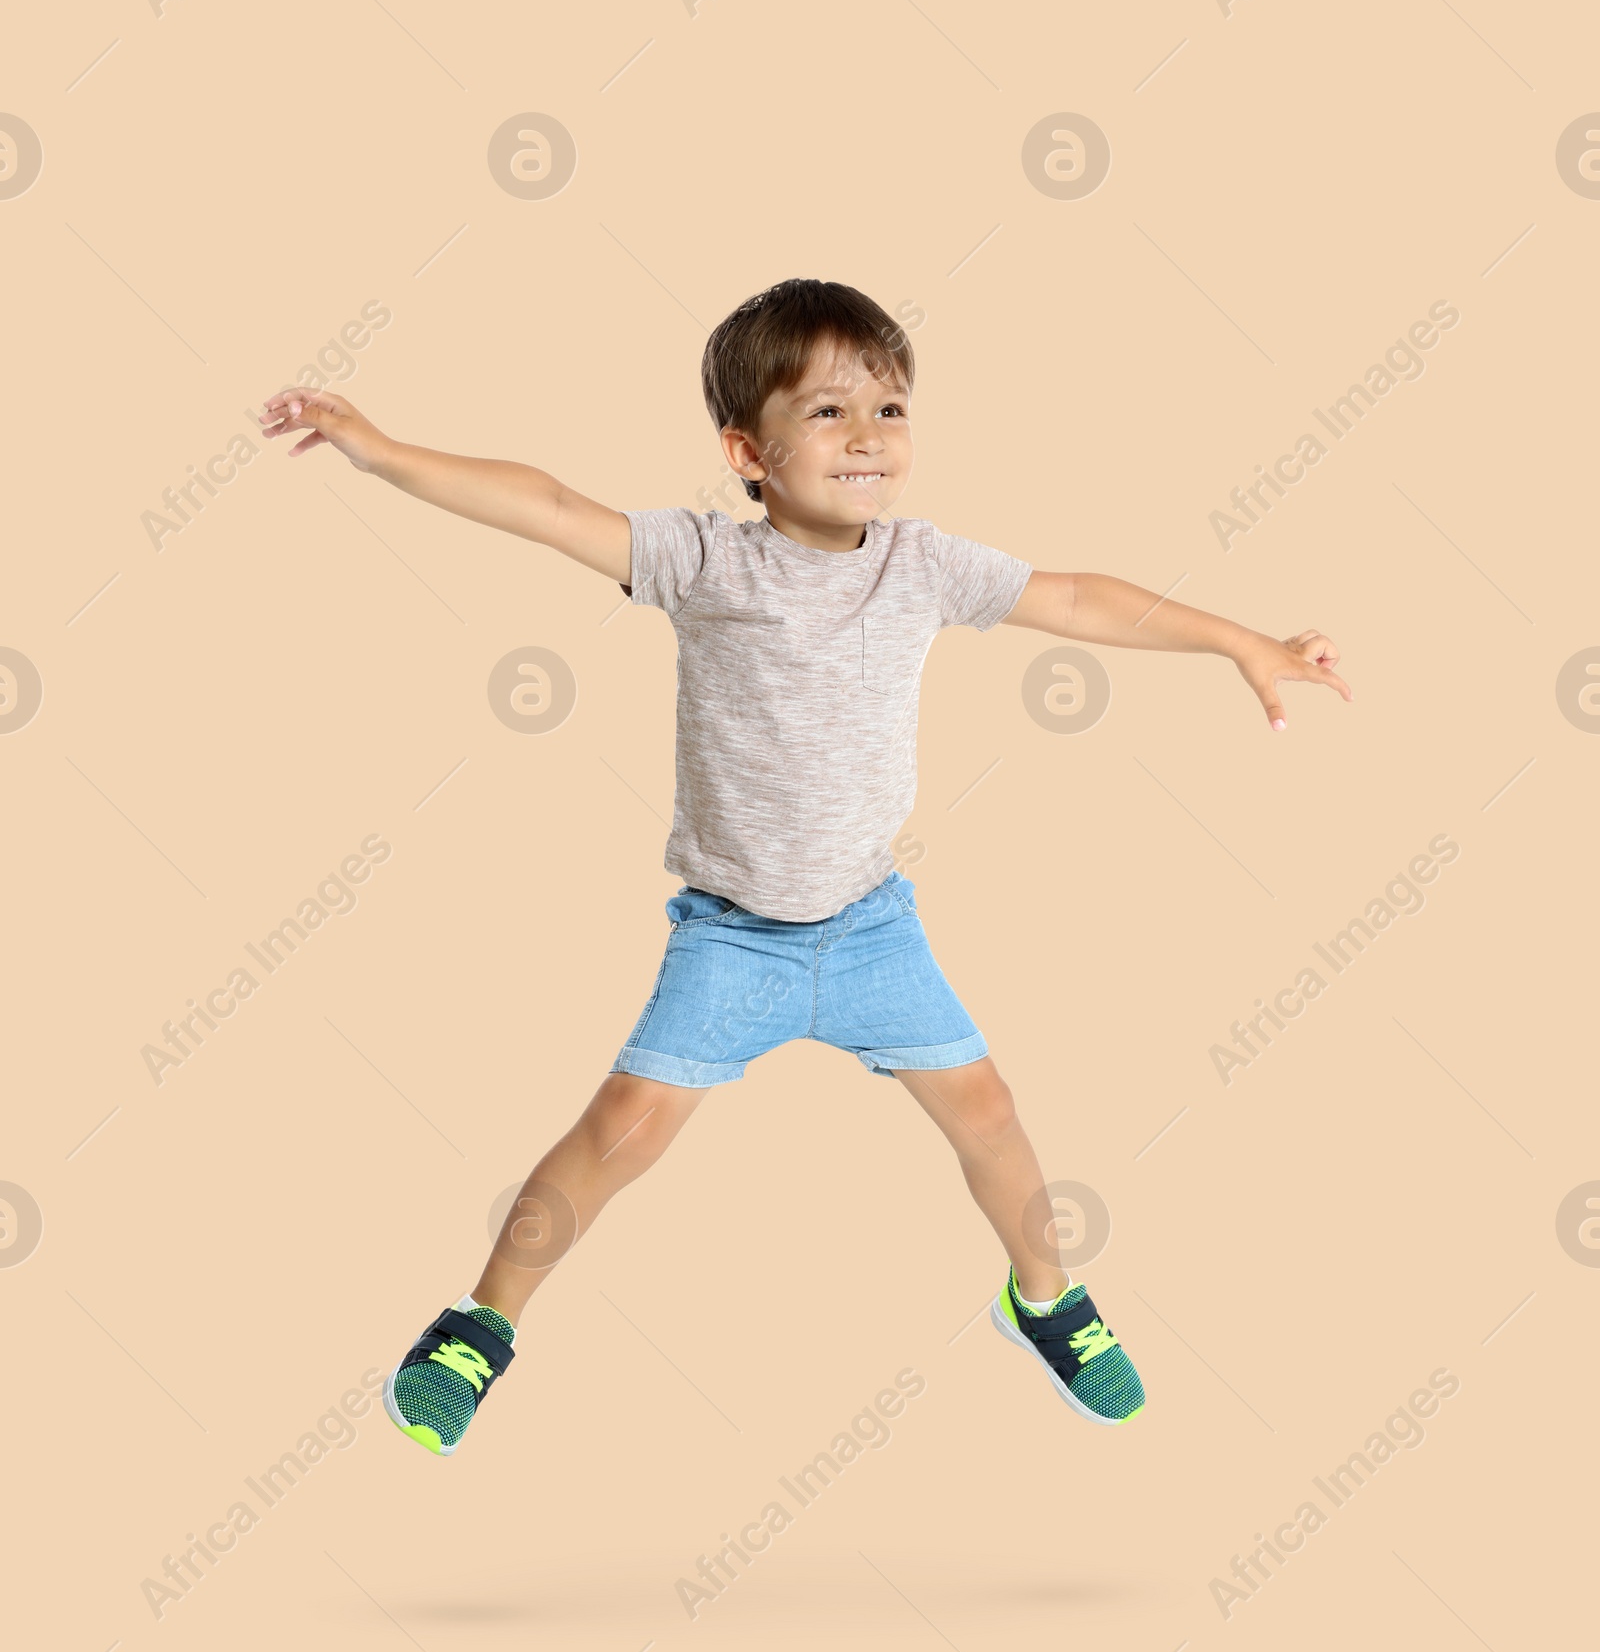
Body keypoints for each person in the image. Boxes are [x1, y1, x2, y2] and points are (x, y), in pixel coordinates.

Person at [261, 278, 1349, 1455]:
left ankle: (1045, 1299)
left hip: (872, 927)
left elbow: (1081, 595)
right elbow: (545, 502)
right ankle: (480, 1324)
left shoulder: (922, 564)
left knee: (990, 1113)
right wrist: (378, 449)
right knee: (622, 1130)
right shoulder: (700, 562)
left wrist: (1246, 640)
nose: (869, 437)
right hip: (733, 938)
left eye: (889, 407)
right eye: (828, 413)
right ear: (750, 452)